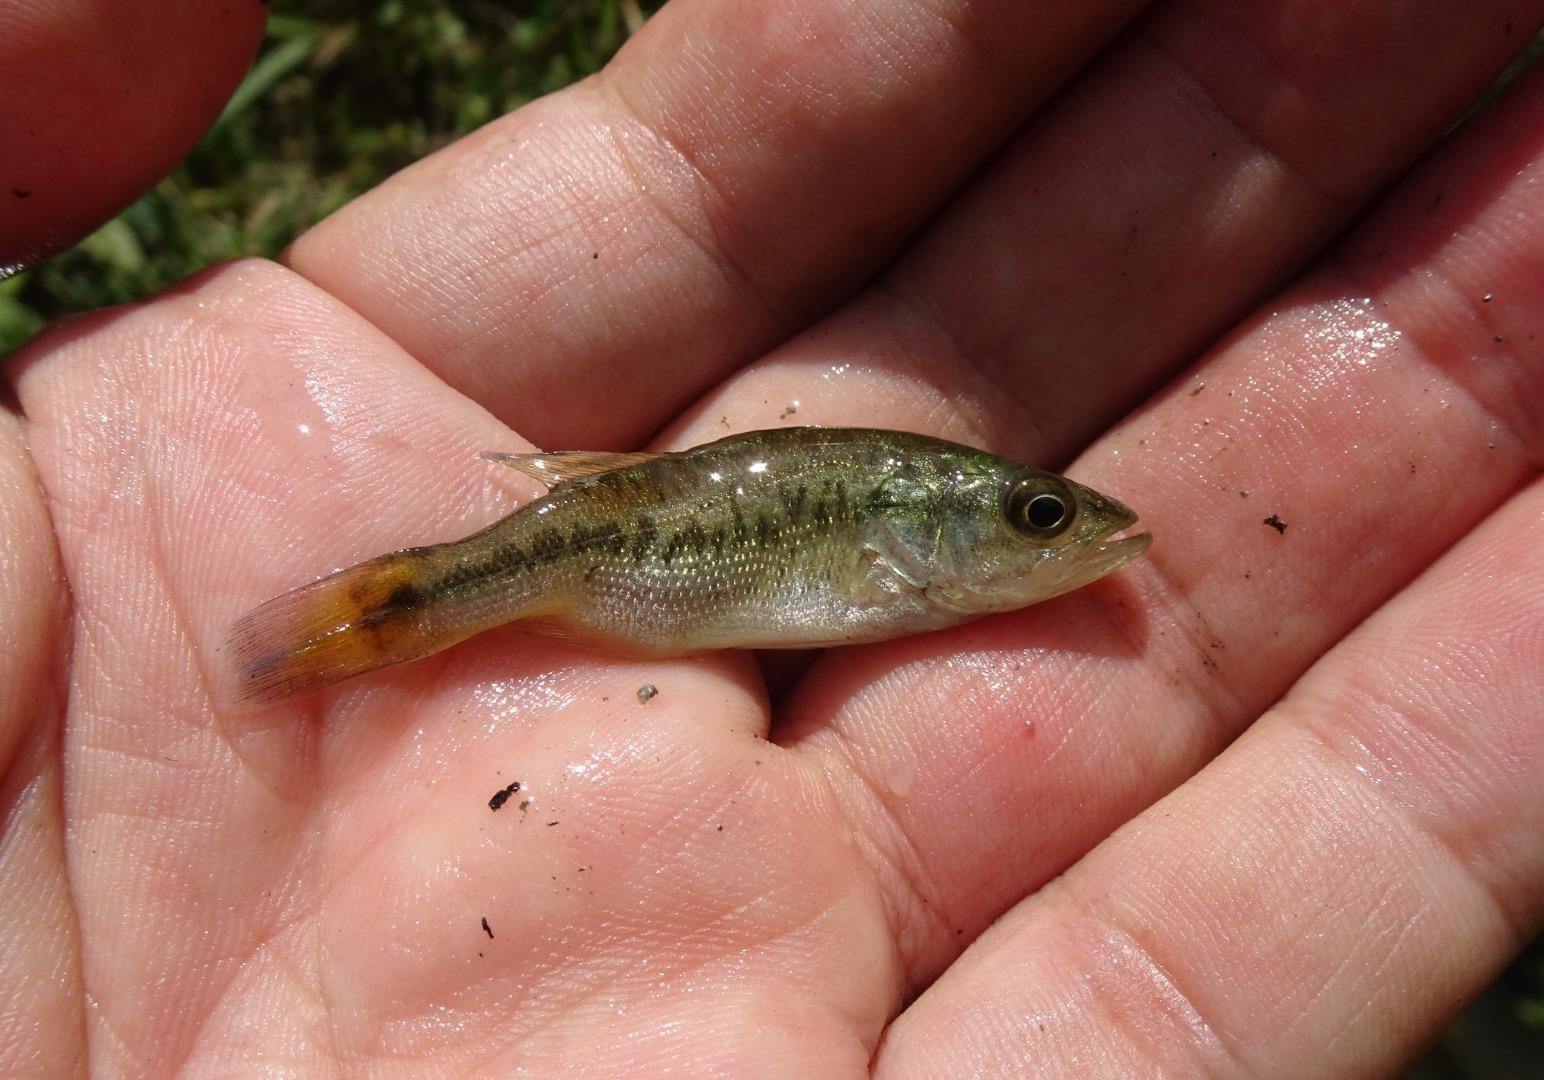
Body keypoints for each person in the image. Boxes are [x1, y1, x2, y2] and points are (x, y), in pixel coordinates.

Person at [3, 1, 1542, 1074]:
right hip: (595, 567)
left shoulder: (897, 566)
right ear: (926, 525)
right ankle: (369, 620)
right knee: (454, 593)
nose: (1078, 537)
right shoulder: (868, 538)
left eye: (1043, 514)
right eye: (1036, 517)